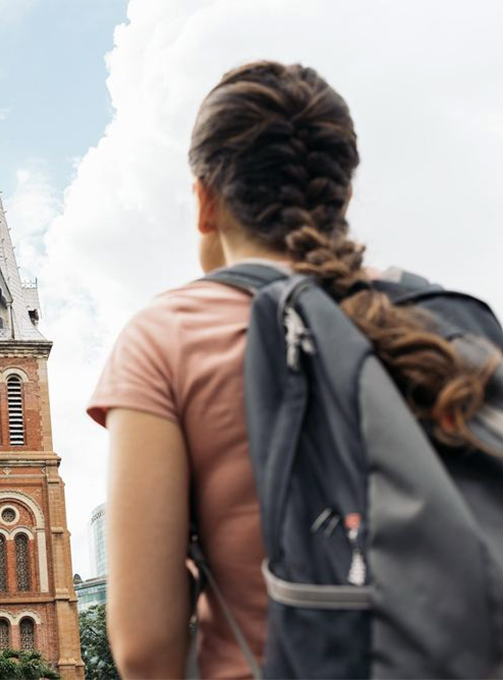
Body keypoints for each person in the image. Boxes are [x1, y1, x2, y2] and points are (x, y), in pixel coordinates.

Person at [87, 61, 499, 678]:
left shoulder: (166, 335)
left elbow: (146, 650)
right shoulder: (449, 322)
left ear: (205, 199)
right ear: (344, 197)